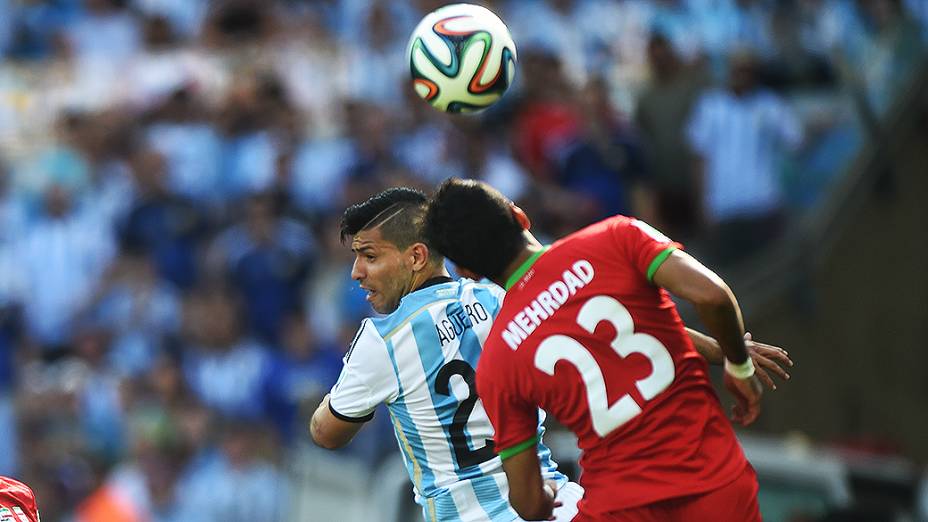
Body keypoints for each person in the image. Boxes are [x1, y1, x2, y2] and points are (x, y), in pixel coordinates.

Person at [311, 187, 790, 521]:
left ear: (421, 256)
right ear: (519, 218)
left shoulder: (394, 343)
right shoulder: (499, 299)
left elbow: (326, 434)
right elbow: (639, 322)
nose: (356, 273)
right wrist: (730, 354)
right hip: (588, 499)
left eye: (369, 257)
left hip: (556, 502)